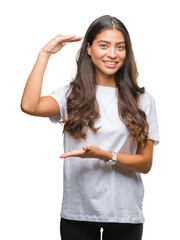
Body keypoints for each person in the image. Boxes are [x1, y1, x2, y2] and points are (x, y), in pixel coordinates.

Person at [21, 15, 159, 240]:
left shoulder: (143, 100)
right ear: (88, 48)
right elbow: (29, 105)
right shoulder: (71, 95)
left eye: (120, 47)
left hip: (124, 213)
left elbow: (145, 163)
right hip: (78, 212)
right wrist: (45, 53)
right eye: (103, 45)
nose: (112, 54)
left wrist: (106, 155)